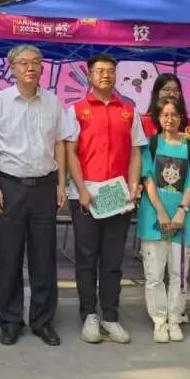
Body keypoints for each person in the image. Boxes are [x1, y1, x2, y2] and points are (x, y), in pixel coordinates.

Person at [0, 44, 72, 347]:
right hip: (10, 186)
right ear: (12, 68)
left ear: (42, 67)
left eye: (35, 62)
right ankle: (10, 321)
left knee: (44, 258)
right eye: (23, 63)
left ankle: (43, 321)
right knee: (9, 256)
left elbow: (60, 143)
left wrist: (61, 183)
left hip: (45, 187)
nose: (30, 68)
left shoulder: (52, 102)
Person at [64, 53, 145, 344]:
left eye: (110, 70)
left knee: (113, 258)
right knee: (87, 257)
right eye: (99, 71)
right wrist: (82, 188)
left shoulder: (129, 111)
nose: (105, 75)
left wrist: (133, 186)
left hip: (117, 195)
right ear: (89, 75)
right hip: (86, 195)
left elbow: (136, 152)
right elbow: (70, 152)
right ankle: (89, 314)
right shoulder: (77, 110)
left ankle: (110, 315)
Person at [138, 99, 190, 343]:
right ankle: (159, 320)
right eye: (165, 114)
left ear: (182, 117)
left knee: (179, 273)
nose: (170, 119)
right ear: (158, 117)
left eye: (174, 114)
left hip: (183, 220)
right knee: (154, 274)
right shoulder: (151, 144)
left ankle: (175, 319)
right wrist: (161, 211)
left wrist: (181, 211)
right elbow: (148, 179)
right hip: (154, 219)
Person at [140, 73, 190, 139]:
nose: (172, 94)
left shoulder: (188, 123)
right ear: (157, 92)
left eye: (176, 90)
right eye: (167, 89)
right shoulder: (143, 122)